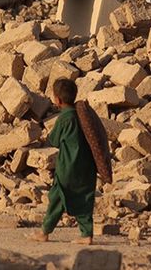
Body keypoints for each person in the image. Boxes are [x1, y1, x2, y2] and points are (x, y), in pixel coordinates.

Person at [31, 79, 97, 245]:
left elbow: (54, 140)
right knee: (85, 198)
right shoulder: (82, 114)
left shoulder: (64, 118)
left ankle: (45, 232)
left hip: (68, 166)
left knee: (57, 196)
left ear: (57, 100)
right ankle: (86, 234)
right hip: (87, 166)